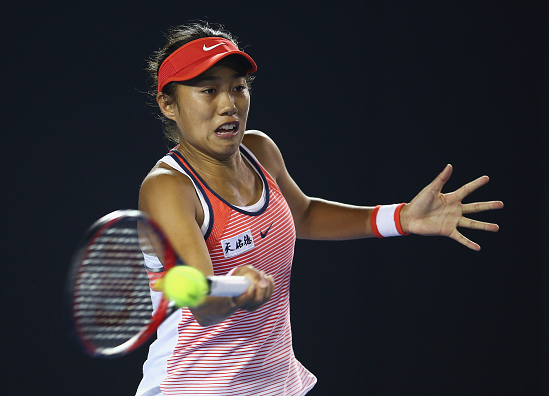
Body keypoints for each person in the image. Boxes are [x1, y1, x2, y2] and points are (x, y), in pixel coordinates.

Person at [135, 22, 503, 396]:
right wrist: (238, 290)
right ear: (168, 104)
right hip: (193, 387)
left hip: (277, 383)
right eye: (208, 90)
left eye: (238, 88)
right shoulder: (168, 188)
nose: (228, 104)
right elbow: (201, 302)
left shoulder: (259, 150)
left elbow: (303, 214)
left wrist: (402, 217)